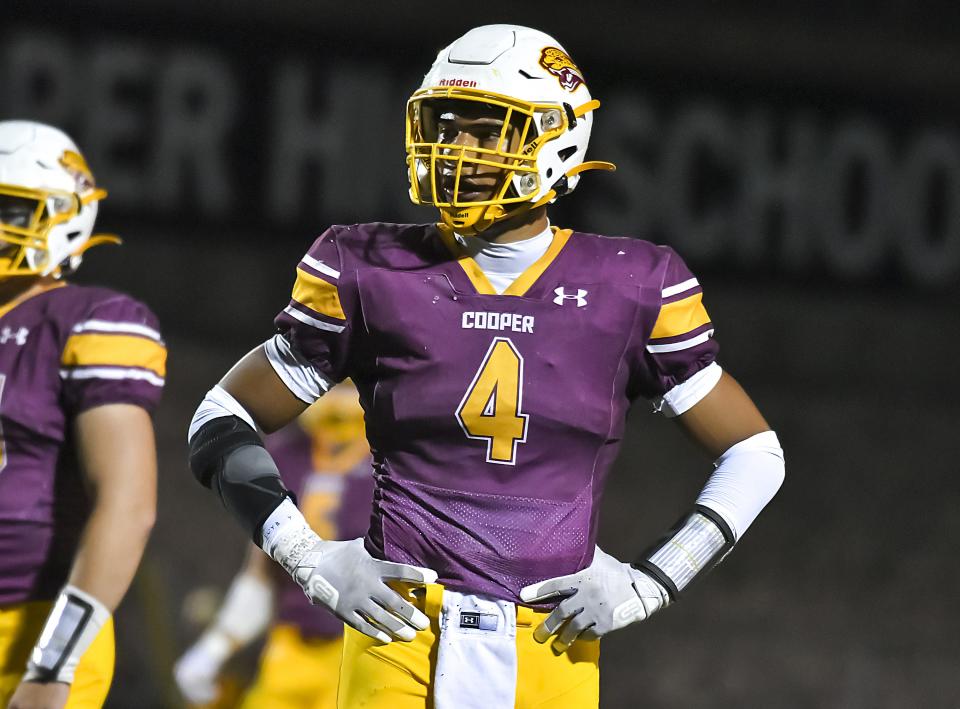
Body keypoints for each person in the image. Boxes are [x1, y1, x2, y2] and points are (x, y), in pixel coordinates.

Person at [187, 24, 785, 709]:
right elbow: (221, 416)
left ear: (557, 137)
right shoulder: (371, 267)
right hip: (399, 630)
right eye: (444, 124)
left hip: (549, 642)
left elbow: (754, 451)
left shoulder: (630, 283)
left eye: (486, 129)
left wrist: (654, 578)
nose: (456, 149)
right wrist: (311, 559)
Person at [0, 121, 165, 709]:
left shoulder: (88, 319)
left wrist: (53, 665)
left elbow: (128, 504)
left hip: (27, 624)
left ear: (63, 216)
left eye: (9, 210)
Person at [174, 383, 373, 709]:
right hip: (292, 644)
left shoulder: (396, 459)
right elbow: (262, 572)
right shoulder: (286, 452)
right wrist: (215, 647)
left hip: (365, 646)